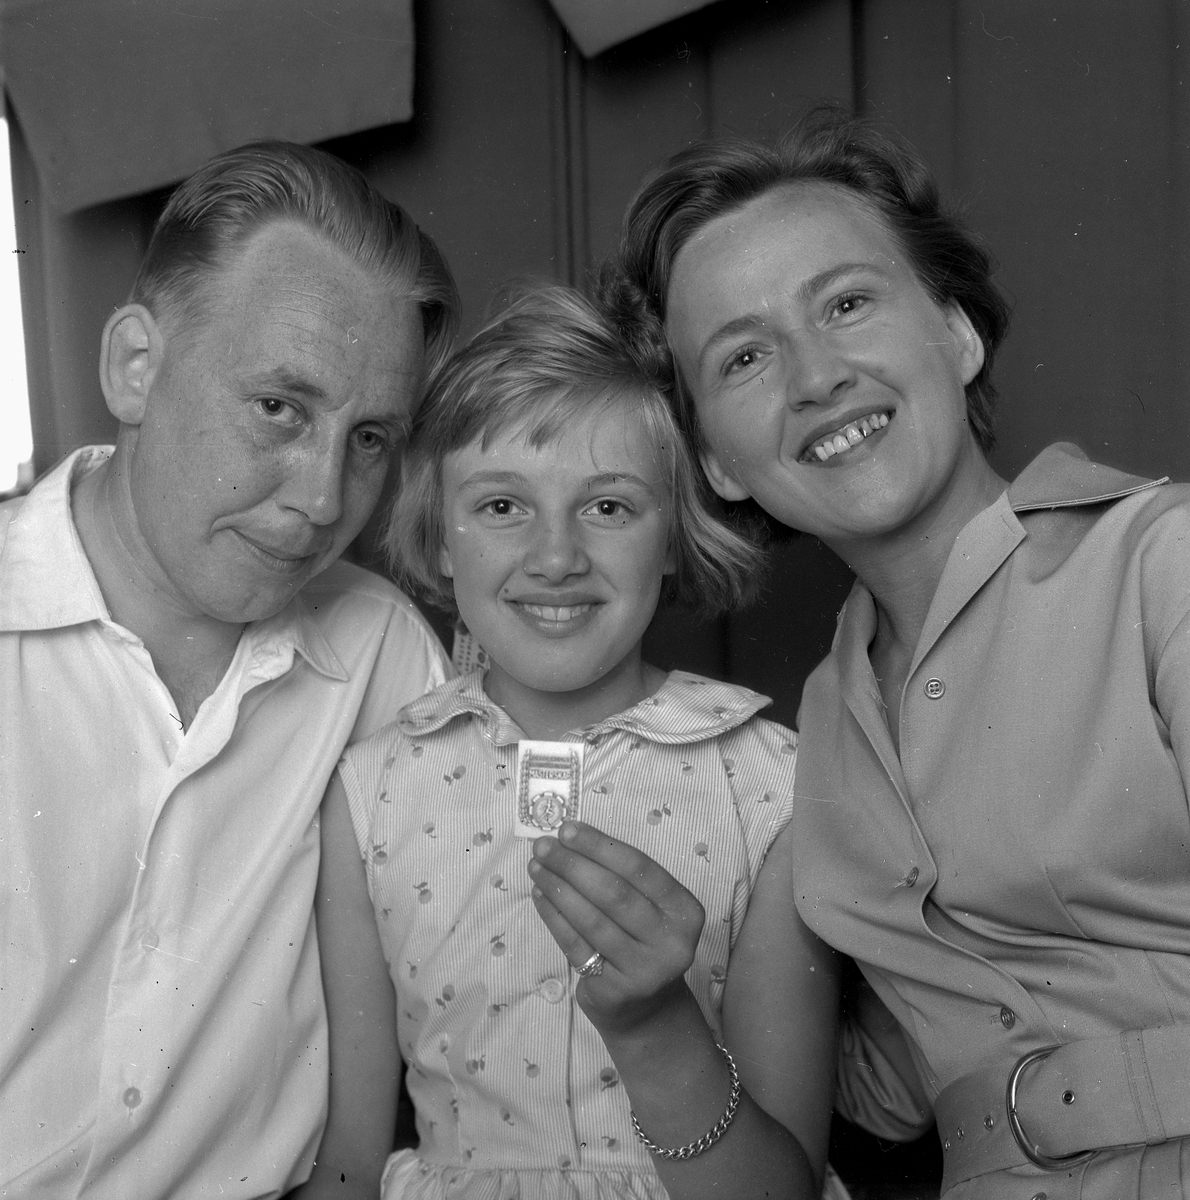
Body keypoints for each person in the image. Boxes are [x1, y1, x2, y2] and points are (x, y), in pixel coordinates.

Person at [600, 105, 1190, 1199]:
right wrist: (655, 1006)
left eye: (846, 303)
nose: (814, 376)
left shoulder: (1161, 567)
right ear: (716, 462)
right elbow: (867, 1101)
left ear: (956, 336)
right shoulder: (819, 738)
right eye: (743, 357)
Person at [309, 285, 855, 1200]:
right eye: (501, 506)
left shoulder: (770, 786)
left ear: (673, 536)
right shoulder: (371, 795)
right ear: (438, 538)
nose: (556, 557)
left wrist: (657, 1025)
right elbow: (347, 1166)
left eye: (607, 507)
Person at [0, 141, 459, 1199]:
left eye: (370, 439)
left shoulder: (381, 653)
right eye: (279, 409)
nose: (322, 499)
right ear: (135, 366)